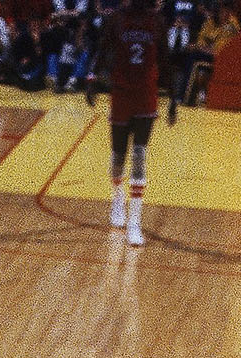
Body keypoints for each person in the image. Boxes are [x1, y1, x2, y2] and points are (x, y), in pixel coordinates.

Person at [93, 0, 159, 245]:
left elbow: (165, 57)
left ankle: (135, 223)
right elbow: (102, 48)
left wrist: (174, 95)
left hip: (145, 94)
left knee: (140, 155)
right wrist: (91, 77)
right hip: (121, 91)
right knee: (118, 157)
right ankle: (117, 198)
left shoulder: (157, 21)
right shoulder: (116, 19)